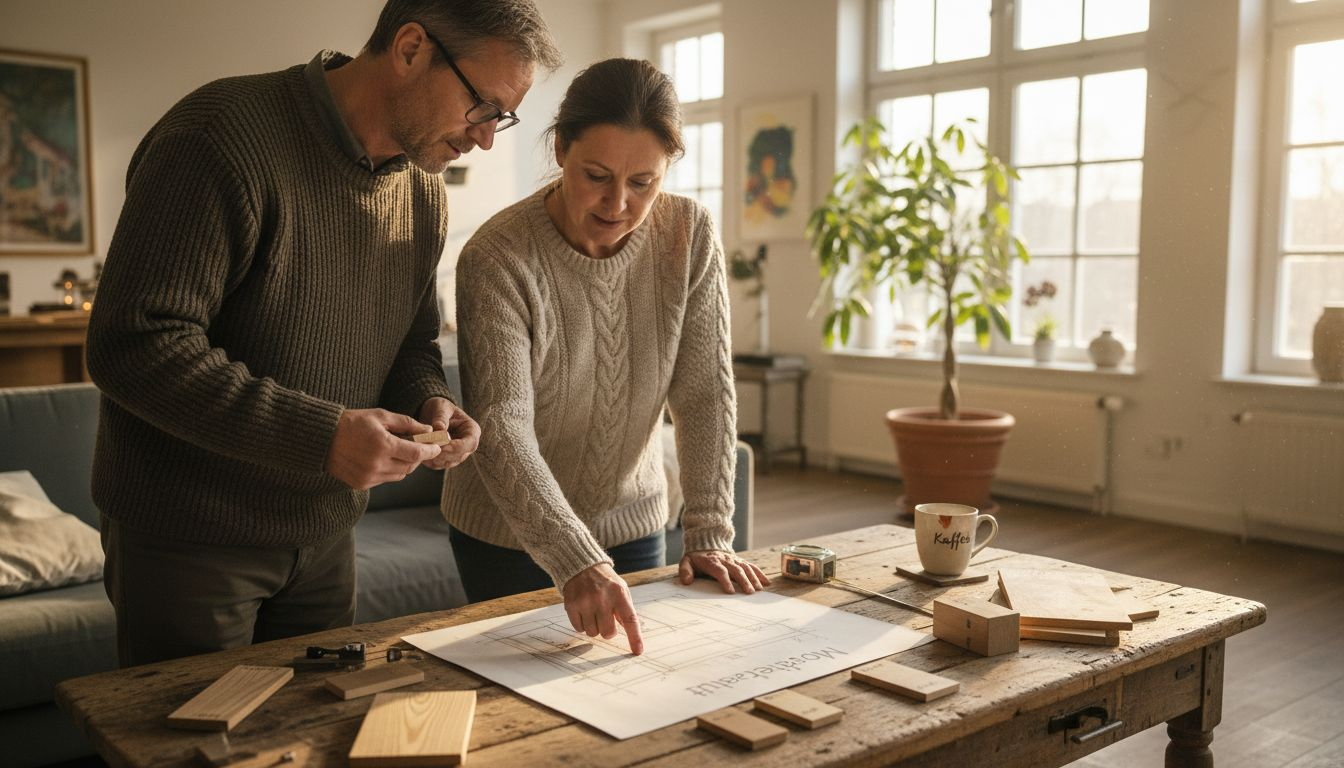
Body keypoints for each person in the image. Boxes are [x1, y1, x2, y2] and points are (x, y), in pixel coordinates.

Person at [85, 0, 562, 667]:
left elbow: (411, 344)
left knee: (316, 724)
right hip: (188, 540)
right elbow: (134, 344)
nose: (485, 138)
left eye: (501, 117)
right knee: (187, 728)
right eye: (481, 105)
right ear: (410, 49)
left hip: (327, 536)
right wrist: (323, 437)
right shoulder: (218, 136)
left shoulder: (421, 192)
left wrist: (429, 400)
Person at [443, 58, 770, 656]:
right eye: (596, 175)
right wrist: (575, 558)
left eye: (643, 182)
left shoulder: (689, 234)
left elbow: (703, 394)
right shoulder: (498, 255)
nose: (617, 202)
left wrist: (708, 531)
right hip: (508, 533)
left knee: (638, 683)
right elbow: (504, 425)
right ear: (560, 149)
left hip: (633, 520)